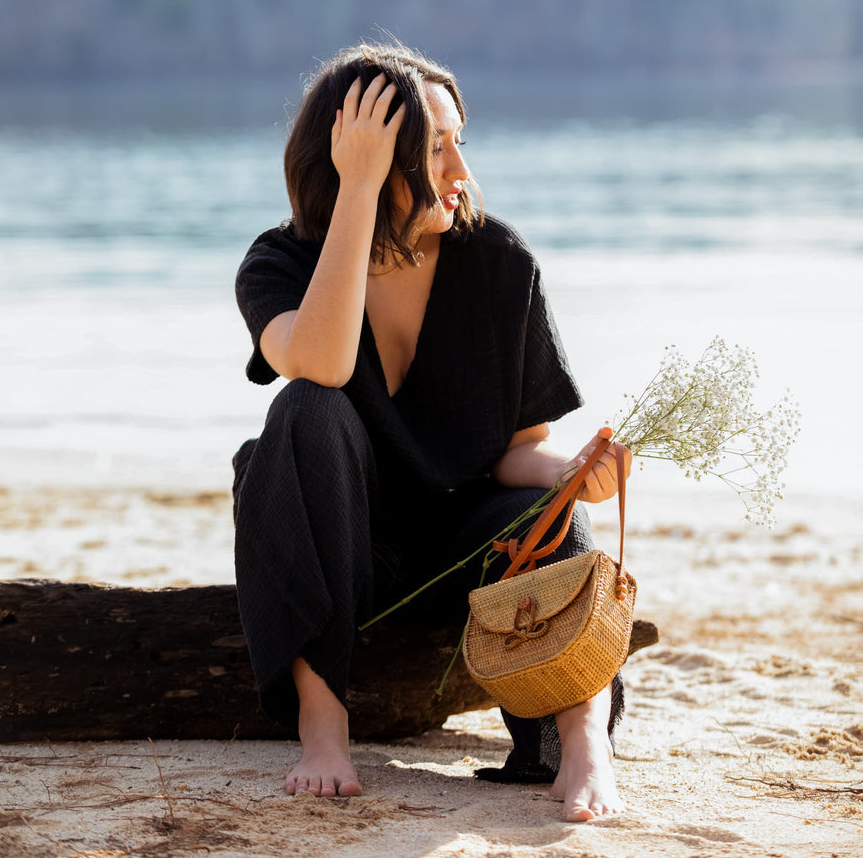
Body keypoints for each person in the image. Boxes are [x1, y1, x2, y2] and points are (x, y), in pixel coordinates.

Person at [232, 42, 631, 822]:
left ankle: (587, 745)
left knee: (556, 514)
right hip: (340, 547)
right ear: (366, 157)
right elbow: (316, 360)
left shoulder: (497, 262)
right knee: (302, 409)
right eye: (433, 149)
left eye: (461, 143)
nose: (462, 172)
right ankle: (323, 719)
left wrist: (572, 471)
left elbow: (519, 449)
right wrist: (359, 194)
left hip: (466, 549)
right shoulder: (279, 263)